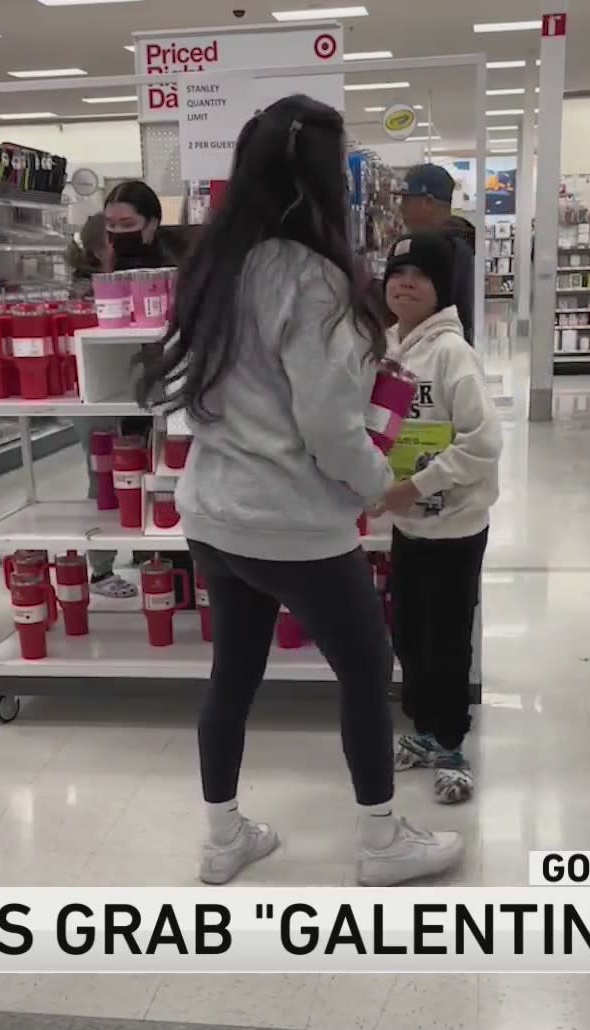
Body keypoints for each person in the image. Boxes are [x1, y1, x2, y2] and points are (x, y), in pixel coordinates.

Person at [136, 94, 464, 887]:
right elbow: (326, 428)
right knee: (366, 665)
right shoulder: (313, 279)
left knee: (233, 674)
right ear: (326, 181)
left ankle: (223, 839)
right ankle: (382, 841)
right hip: (294, 522)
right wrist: (386, 485)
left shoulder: (214, 266)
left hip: (215, 513)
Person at [375, 231, 503, 806]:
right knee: (410, 633)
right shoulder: (385, 347)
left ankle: (452, 745)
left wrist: (419, 484)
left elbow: (484, 442)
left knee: (448, 639)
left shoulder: (453, 353)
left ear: (440, 289)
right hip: (408, 524)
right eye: (397, 272)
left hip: (454, 524)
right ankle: (423, 733)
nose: (405, 283)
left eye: (420, 276)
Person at [67, 180, 187, 601]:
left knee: (165, 474)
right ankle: (99, 570)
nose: (118, 231)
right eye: (111, 223)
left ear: (152, 223)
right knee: (106, 478)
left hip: (167, 393)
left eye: (128, 222)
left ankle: (162, 559)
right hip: (109, 391)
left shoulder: (177, 267)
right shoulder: (97, 269)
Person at [396, 164, 477, 343]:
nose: (401, 208)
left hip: (434, 357)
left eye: (407, 200)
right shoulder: (458, 242)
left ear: (428, 202)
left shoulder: (443, 250)